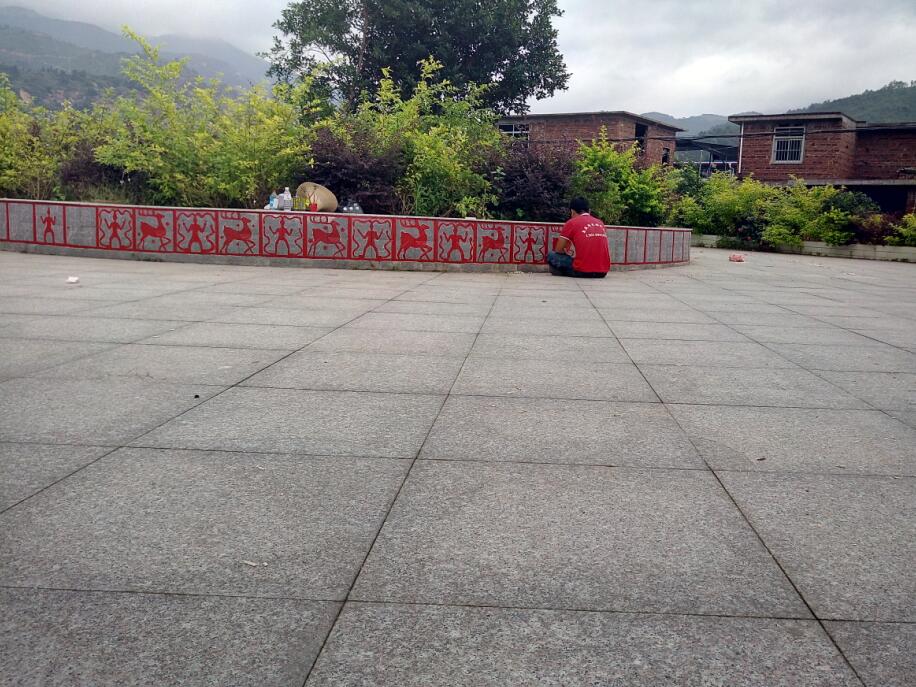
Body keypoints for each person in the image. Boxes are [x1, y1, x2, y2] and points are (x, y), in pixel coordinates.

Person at [547, 198, 610, 278]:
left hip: (582, 271)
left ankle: (563, 271)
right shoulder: (600, 223)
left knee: (551, 255)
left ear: (572, 211)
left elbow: (558, 250)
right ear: (589, 211)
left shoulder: (571, 222)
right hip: (602, 272)